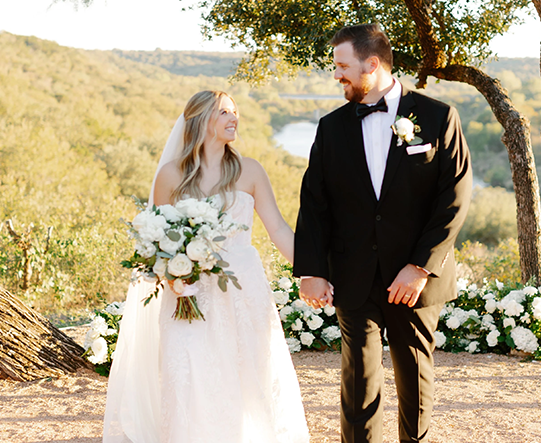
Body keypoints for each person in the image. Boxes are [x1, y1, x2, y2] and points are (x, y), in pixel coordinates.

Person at [293, 24, 472, 443]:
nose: (336, 74)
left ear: (372, 64)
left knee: (415, 374)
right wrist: (312, 271)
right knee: (358, 379)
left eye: (343, 66)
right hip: (353, 272)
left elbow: (454, 199)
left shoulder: (438, 117)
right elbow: (314, 203)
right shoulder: (331, 127)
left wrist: (420, 267)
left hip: (414, 276)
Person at [103, 90, 314, 443]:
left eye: (235, 111)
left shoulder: (250, 170)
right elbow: (158, 238)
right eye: (224, 112)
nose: (234, 118)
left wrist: (310, 272)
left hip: (242, 290)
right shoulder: (171, 175)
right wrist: (176, 277)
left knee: (247, 372)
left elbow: (277, 228)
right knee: (189, 372)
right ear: (201, 120)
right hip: (188, 293)